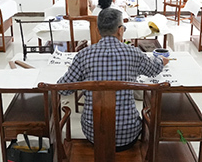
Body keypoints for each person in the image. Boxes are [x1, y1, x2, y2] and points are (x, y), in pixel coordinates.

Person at [57, 8, 166, 148]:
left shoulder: (83, 55)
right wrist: (161, 61)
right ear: (120, 30)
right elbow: (153, 70)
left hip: (93, 133)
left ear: (97, 30)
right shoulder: (134, 53)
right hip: (129, 133)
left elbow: (63, 89)